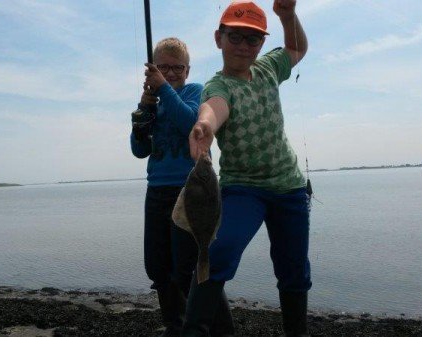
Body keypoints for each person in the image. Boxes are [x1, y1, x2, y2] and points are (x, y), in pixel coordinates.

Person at [183, 1, 311, 336]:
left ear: (261, 44)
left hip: (290, 187)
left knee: (294, 269)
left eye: (252, 40)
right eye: (235, 37)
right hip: (243, 188)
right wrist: (204, 128)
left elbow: (297, 47)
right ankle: (193, 329)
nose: (243, 46)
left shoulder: (270, 67)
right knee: (219, 249)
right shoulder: (219, 86)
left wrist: (287, 16)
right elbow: (213, 109)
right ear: (218, 38)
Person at [130, 37, 234, 337]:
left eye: (177, 68)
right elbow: (139, 150)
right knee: (158, 267)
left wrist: (162, 89)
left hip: (192, 192)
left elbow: (191, 121)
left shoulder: (195, 92)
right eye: (163, 67)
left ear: (187, 70)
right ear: (153, 69)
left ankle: (221, 330)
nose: (171, 73)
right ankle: (175, 326)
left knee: (193, 265)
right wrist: (143, 111)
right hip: (158, 192)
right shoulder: (154, 103)